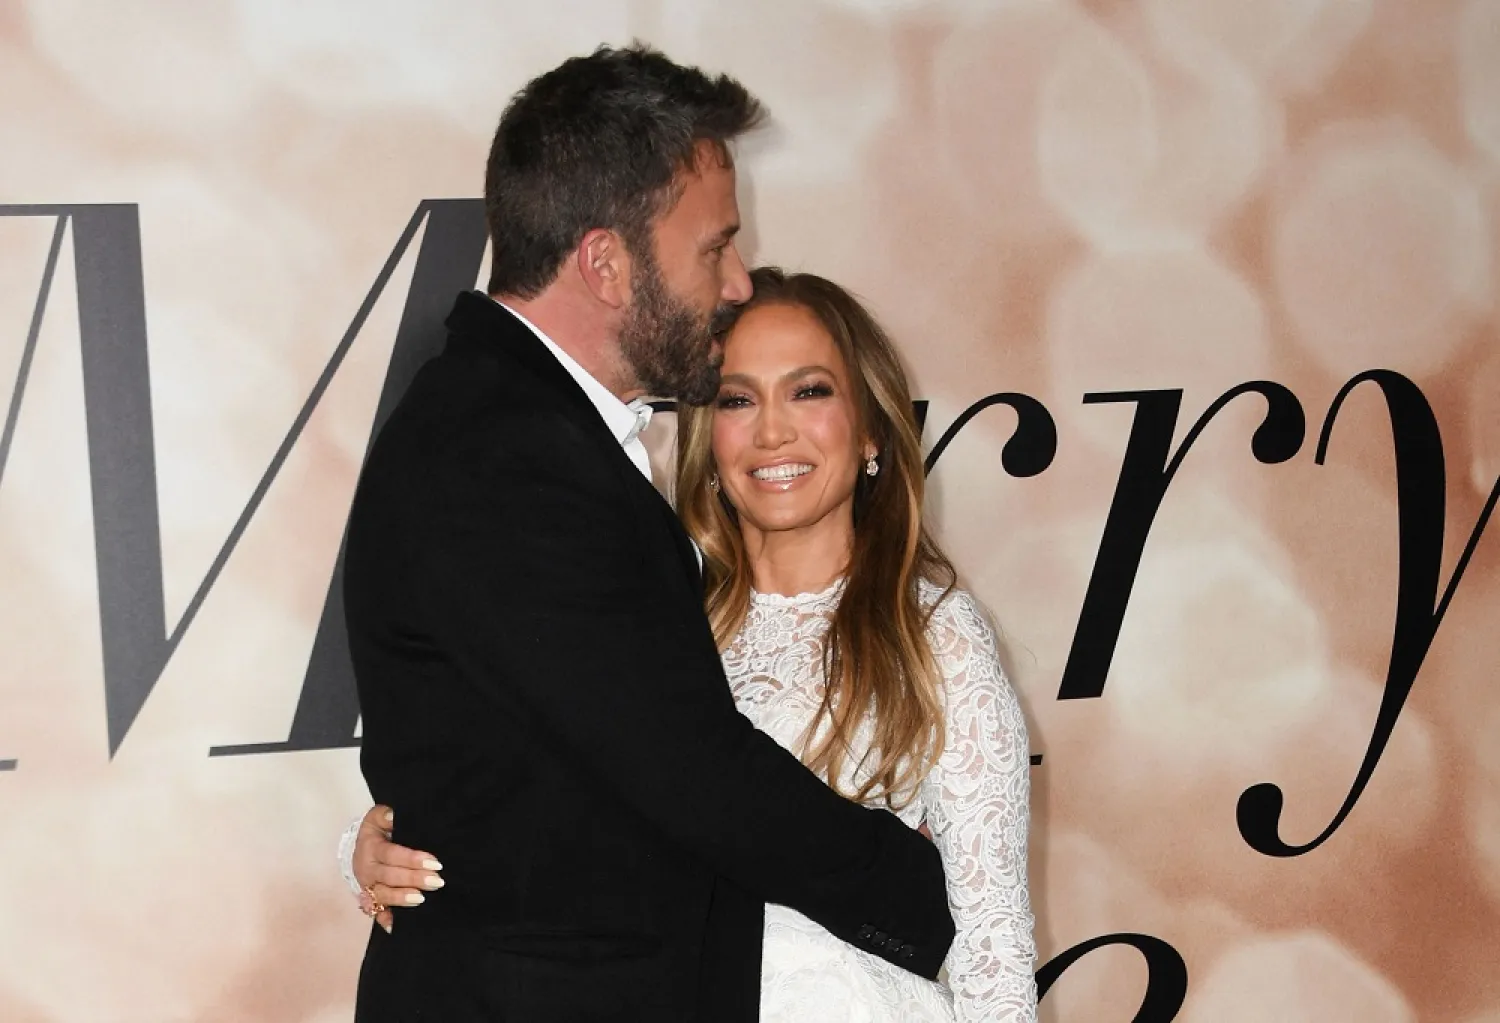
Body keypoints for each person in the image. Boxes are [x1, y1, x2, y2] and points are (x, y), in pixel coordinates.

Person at [340, 45, 954, 1022]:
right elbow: (690, 771)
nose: (740, 283)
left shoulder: (508, 425)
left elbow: (533, 758)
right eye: (714, 248)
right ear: (607, 264)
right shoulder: (511, 455)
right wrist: (923, 890)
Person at [347, 267, 1038, 1020]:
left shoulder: (935, 633)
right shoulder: (649, 614)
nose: (773, 430)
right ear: (708, 433)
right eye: (738, 399)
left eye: (809, 390)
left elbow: (991, 940)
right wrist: (376, 839)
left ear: (871, 426)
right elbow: (529, 808)